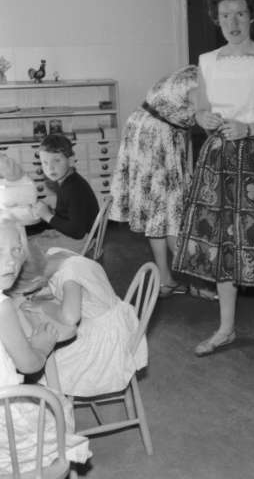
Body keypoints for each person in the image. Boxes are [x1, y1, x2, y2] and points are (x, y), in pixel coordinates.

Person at [172, 0, 254, 368]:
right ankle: (226, 328)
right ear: (217, 20)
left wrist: (251, 129)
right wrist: (203, 117)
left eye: (240, 13)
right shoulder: (207, 61)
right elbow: (201, 110)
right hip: (216, 160)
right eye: (225, 15)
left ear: (252, 16)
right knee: (221, 247)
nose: (233, 22)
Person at [0, 216, 90, 474]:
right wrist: (42, 345)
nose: (11, 261)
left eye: (16, 250)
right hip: (6, 431)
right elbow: (29, 365)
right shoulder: (2, 307)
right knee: (59, 405)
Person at [110, 66, 198, 297]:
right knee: (169, 211)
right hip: (158, 134)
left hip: (142, 125)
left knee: (159, 212)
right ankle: (199, 283)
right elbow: (203, 118)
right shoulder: (201, 81)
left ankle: (165, 280)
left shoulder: (189, 72)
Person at [20, 247, 148, 397]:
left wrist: (42, 306)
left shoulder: (69, 276)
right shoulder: (54, 254)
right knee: (47, 350)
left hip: (106, 339)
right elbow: (73, 288)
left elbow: (70, 317)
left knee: (48, 367)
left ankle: (59, 407)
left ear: (36, 281)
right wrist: (46, 294)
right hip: (112, 318)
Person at [30, 134, 99, 254]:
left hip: (80, 240)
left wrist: (47, 215)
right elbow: (69, 215)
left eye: (57, 160)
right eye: (45, 162)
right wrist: (50, 211)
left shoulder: (73, 188)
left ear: (71, 161)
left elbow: (77, 232)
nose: (50, 168)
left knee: (28, 249)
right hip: (78, 235)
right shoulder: (69, 181)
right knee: (30, 240)